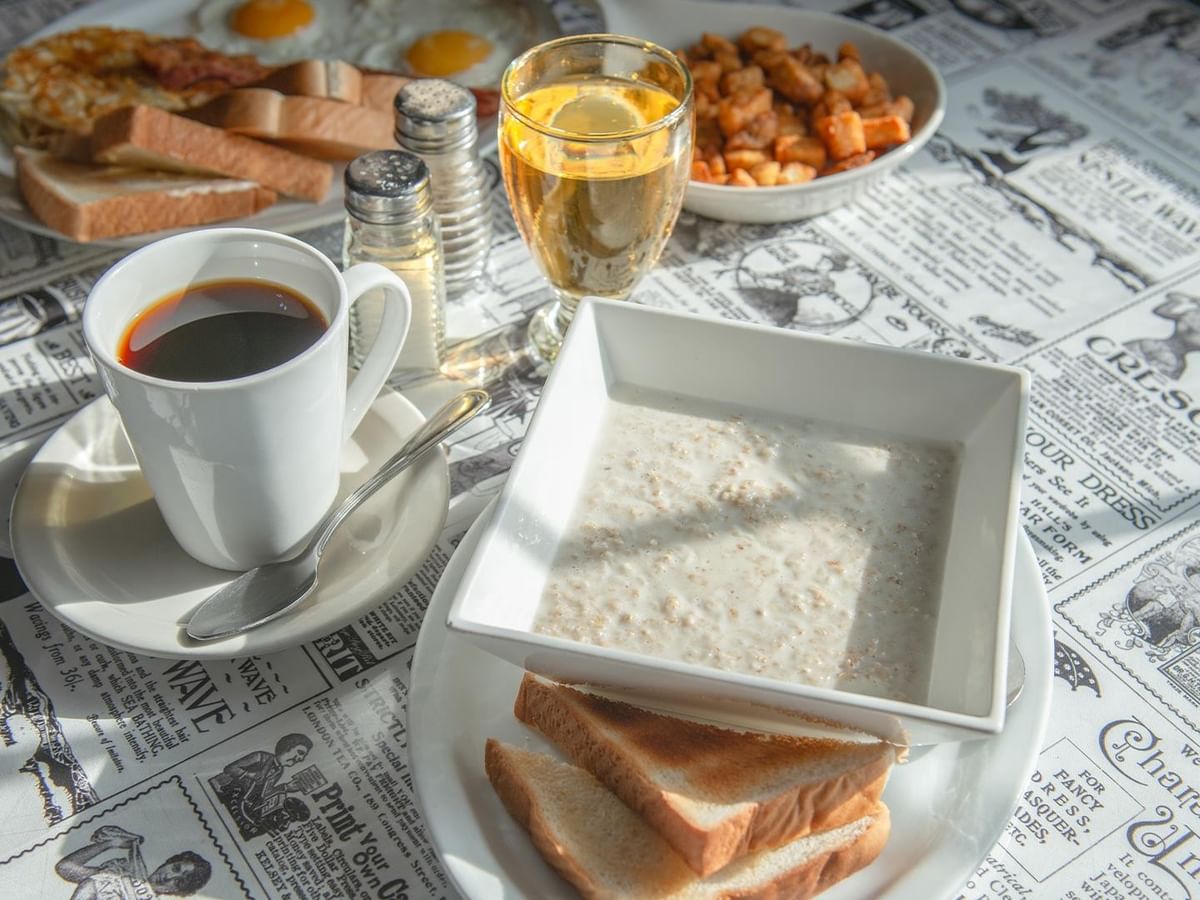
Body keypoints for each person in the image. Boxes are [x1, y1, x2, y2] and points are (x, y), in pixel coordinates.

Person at [55, 826, 211, 899]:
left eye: (179, 882)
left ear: (179, 892)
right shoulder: (120, 874)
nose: (168, 877)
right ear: (167, 863)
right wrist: (111, 843)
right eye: (175, 868)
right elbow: (65, 868)